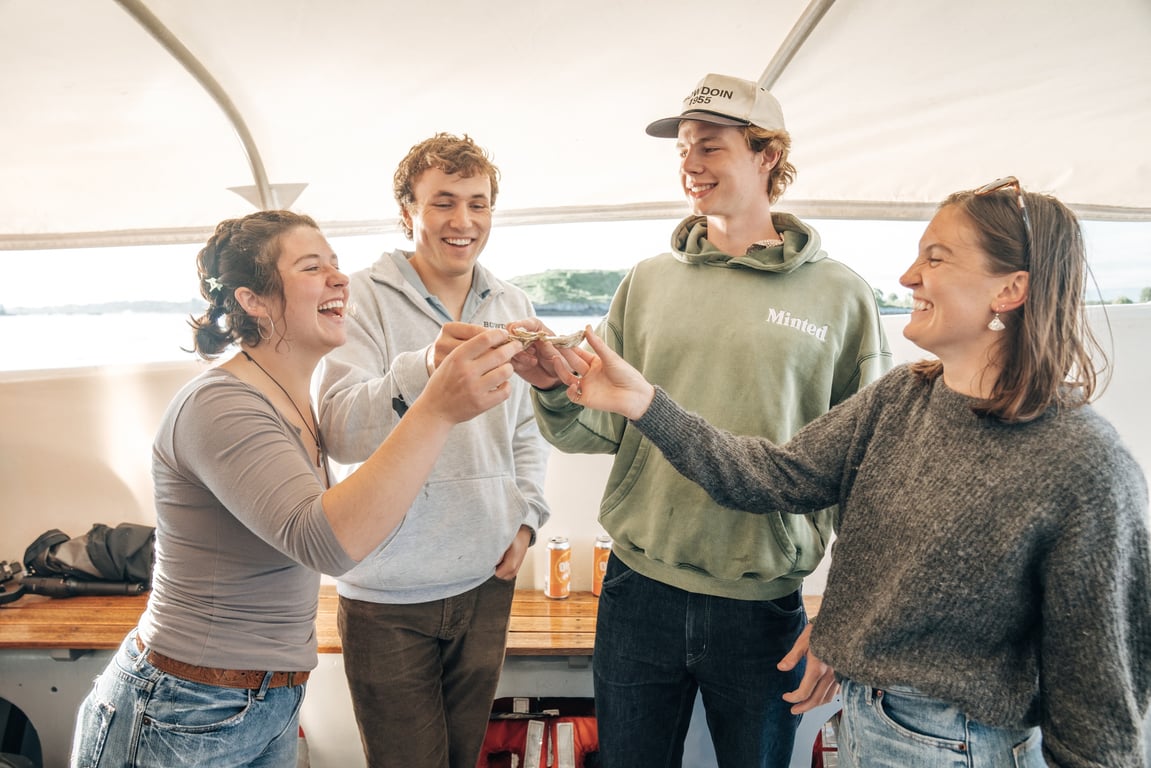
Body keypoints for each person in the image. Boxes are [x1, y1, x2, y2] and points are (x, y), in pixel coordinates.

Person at [535, 179, 1151, 767]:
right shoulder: (903, 399)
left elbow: (1102, 709)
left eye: (935, 260)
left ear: (1009, 290)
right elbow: (771, 477)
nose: (909, 277)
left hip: (963, 745)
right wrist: (644, 402)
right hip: (867, 725)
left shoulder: (1083, 463)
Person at [510, 73, 891, 767]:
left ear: (766, 155)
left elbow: (867, 476)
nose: (689, 165)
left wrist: (843, 612)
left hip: (762, 605)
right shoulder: (647, 281)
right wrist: (555, 390)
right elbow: (595, 430)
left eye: (710, 148)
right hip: (636, 592)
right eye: (683, 149)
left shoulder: (841, 296)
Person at [69, 210, 523, 768]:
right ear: (253, 300)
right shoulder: (221, 404)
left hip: (265, 700)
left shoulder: (293, 403)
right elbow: (328, 543)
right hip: (185, 706)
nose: (340, 277)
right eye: (313, 267)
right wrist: (436, 408)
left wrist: (429, 375)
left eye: (336, 263)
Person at [315, 133, 550, 768]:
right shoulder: (356, 299)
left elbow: (526, 431)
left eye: (478, 203)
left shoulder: (513, 304)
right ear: (407, 210)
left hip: (485, 581)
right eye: (443, 202)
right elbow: (338, 428)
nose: (463, 221)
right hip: (386, 596)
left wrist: (526, 520)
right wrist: (424, 368)